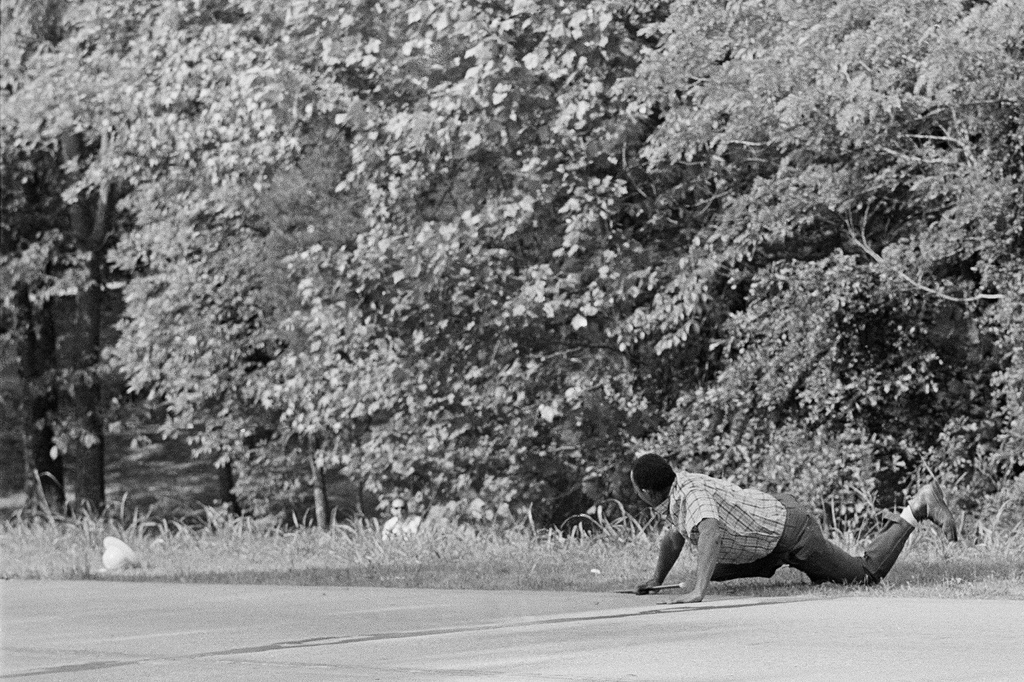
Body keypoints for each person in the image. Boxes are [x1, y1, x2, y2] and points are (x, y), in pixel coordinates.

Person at [630, 453, 958, 603]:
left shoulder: (690, 493)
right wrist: (657, 579)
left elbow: (711, 532)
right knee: (708, 569)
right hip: (770, 528)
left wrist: (697, 593)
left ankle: (918, 507)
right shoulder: (675, 492)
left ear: (646, 491)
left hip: (792, 533)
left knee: (864, 574)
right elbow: (673, 536)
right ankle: (789, 565)